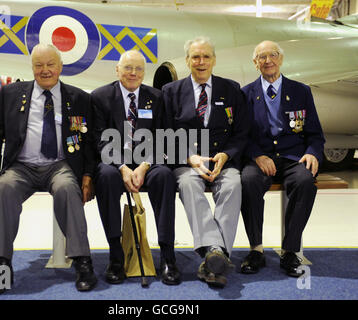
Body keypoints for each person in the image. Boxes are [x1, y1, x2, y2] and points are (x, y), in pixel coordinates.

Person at [0, 44, 98, 295]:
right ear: (32, 67)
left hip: (59, 166)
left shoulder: (79, 98)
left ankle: (82, 263)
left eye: (50, 64)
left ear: (60, 67)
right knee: (4, 189)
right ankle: (2, 267)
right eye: (38, 65)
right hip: (21, 166)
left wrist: (88, 175)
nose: (45, 70)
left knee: (68, 189)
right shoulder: (11, 94)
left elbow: (88, 142)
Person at [162, 37, 250, 287]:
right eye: (195, 57)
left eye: (206, 57)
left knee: (233, 185)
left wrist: (226, 155)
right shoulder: (171, 92)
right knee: (189, 185)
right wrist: (189, 157)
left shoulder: (232, 89)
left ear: (214, 60)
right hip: (187, 161)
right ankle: (216, 253)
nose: (201, 62)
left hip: (222, 161)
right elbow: (165, 132)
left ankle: (213, 256)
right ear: (187, 61)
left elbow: (242, 132)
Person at [91, 50, 181, 286]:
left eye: (139, 68)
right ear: (117, 70)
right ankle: (116, 256)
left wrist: (143, 166)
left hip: (147, 162)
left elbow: (164, 137)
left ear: (144, 72)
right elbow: (100, 139)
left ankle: (168, 256)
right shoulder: (100, 97)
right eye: (128, 68)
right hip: (115, 163)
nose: (133, 73)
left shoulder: (157, 98)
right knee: (106, 176)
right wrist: (122, 167)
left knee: (164, 175)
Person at [240, 40, 325, 277]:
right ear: (255, 63)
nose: (268, 61)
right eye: (262, 57)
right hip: (260, 158)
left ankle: (290, 250)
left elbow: (316, 134)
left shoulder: (301, 91)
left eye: (273, 55)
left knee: (305, 181)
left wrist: (312, 153)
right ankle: (256, 249)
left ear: (281, 59)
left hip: (293, 157)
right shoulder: (245, 94)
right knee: (247, 181)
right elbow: (241, 135)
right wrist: (257, 155)